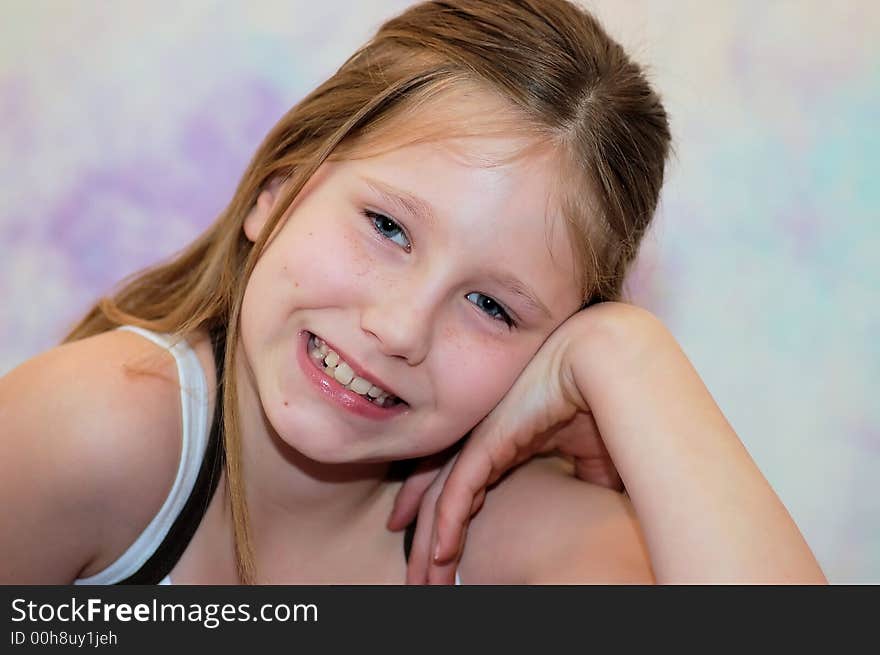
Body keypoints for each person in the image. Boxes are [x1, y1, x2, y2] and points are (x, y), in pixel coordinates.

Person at [0, 0, 826, 585]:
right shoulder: (98, 430)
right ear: (278, 192)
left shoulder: (505, 536)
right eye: (387, 227)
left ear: (550, 356)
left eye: (494, 307)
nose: (399, 329)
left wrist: (629, 356)